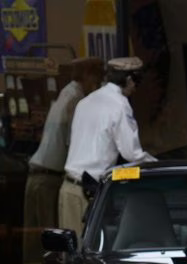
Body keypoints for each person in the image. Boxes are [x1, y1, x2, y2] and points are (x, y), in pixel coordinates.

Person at [22, 58, 102, 264]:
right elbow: (73, 143)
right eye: (97, 79)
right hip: (49, 179)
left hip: (36, 175)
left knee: (33, 242)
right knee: (52, 242)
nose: (97, 85)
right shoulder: (77, 100)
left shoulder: (65, 94)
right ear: (88, 76)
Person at [60, 56, 154, 236]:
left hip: (68, 188)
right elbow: (132, 154)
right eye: (137, 82)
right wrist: (158, 165)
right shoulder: (120, 105)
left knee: (70, 249)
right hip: (86, 194)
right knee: (86, 249)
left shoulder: (86, 101)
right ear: (129, 79)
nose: (136, 88)